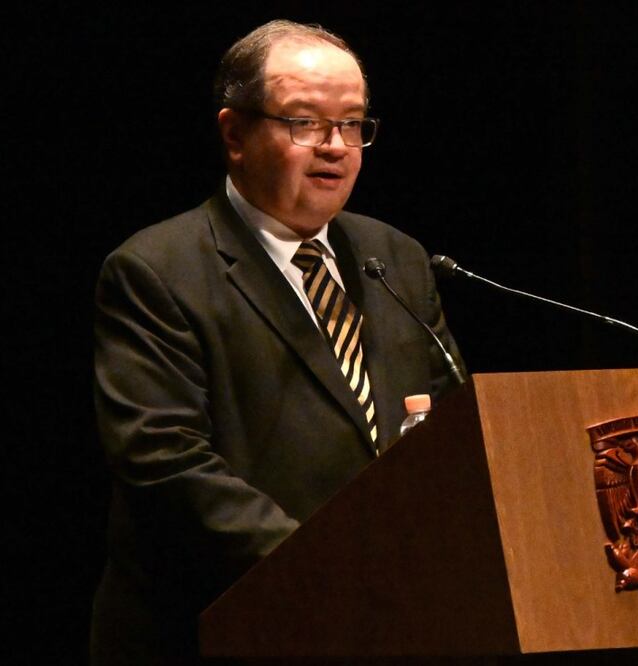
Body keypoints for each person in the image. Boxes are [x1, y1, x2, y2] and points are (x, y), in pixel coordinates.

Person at [89, 20, 463, 664]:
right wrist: (320, 568)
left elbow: (450, 424)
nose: (336, 147)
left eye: (352, 124)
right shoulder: (156, 269)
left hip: (388, 623)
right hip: (224, 625)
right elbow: (165, 462)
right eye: (305, 123)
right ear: (234, 134)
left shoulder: (394, 257)